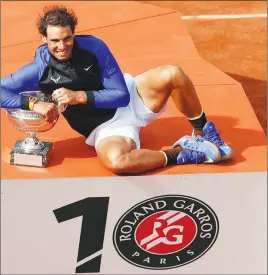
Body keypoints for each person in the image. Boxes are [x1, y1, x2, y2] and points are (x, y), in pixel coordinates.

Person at [1, 5, 233, 174]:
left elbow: (121, 96)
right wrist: (34, 104)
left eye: (67, 38)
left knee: (173, 73)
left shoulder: (94, 48)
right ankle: (181, 153)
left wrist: (78, 96)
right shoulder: (38, 70)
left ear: (74, 33)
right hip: (105, 127)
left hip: (131, 97)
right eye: (54, 41)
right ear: (44, 38)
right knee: (118, 162)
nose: (62, 46)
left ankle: (205, 135)